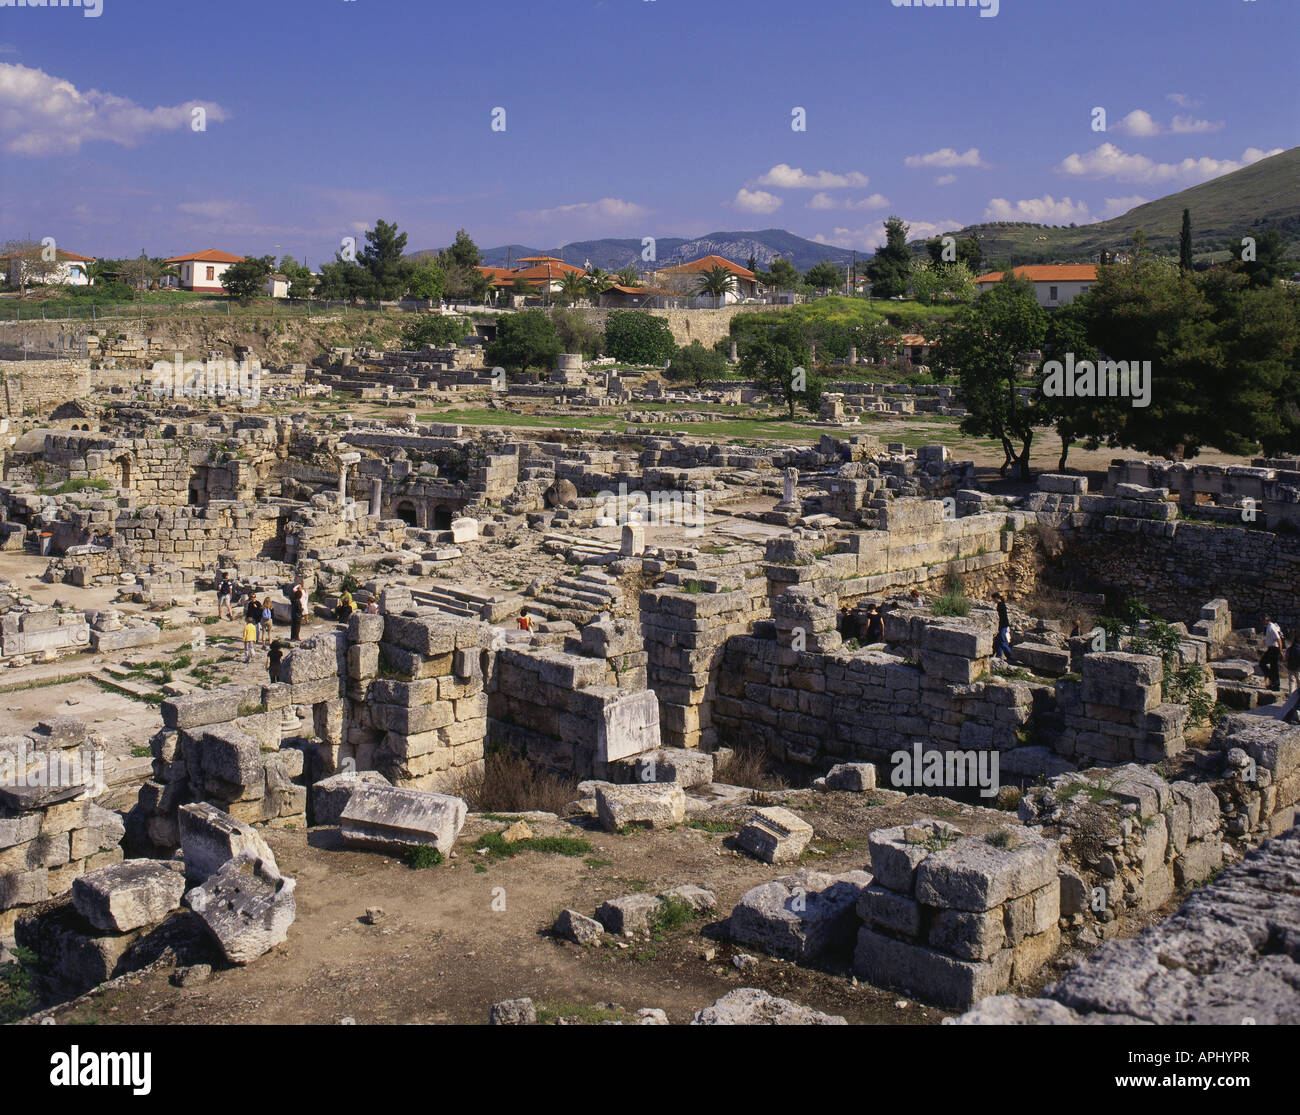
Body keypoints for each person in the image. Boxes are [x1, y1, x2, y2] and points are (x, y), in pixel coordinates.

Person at [1261, 615, 1284, 691]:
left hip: (1274, 649)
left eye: (1263, 620)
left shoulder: (1271, 627)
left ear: (1267, 620)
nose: (1262, 622)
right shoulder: (1269, 626)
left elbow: (1278, 639)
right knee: (1273, 667)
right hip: (1271, 649)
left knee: (1263, 663)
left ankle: (1274, 681)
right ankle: (1275, 684)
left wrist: (1281, 651)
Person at [993, 593, 1013, 660]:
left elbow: (1003, 618)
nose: (993, 601)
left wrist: (1000, 627)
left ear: (996, 598)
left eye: (994, 599)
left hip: (1003, 626)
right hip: (1003, 625)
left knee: (1002, 641)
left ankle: (1010, 655)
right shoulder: (1001, 604)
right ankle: (999, 655)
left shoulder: (1001, 605)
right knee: (998, 641)